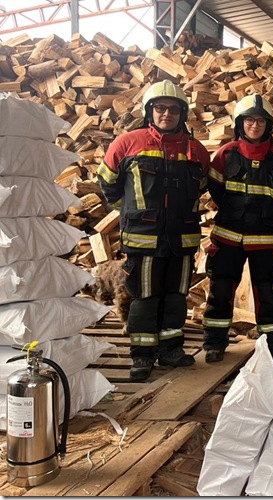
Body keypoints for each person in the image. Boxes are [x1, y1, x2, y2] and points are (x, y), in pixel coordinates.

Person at [97, 79, 211, 382]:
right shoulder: (127, 143)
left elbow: (201, 187)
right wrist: (132, 211)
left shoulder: (196, 150)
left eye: (173, 109)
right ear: (150, 111)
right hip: (143, 238)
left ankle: (171, 349)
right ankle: (143, 355)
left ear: (182, 114)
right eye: (160, 108)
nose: (166, 114)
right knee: (143, 297)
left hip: (182, 238)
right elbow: (107, 182)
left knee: (176, 296)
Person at [202, 94, 273, 367]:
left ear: (268, 125)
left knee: (269, 294)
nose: (255, 125)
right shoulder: (226, 154)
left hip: (266, 238)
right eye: (249, 119)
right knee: (221, 290)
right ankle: (214, 342)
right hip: (227, 236)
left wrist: (265, 217)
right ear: (240, 123)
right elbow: (216, 188)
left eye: (260, 120)